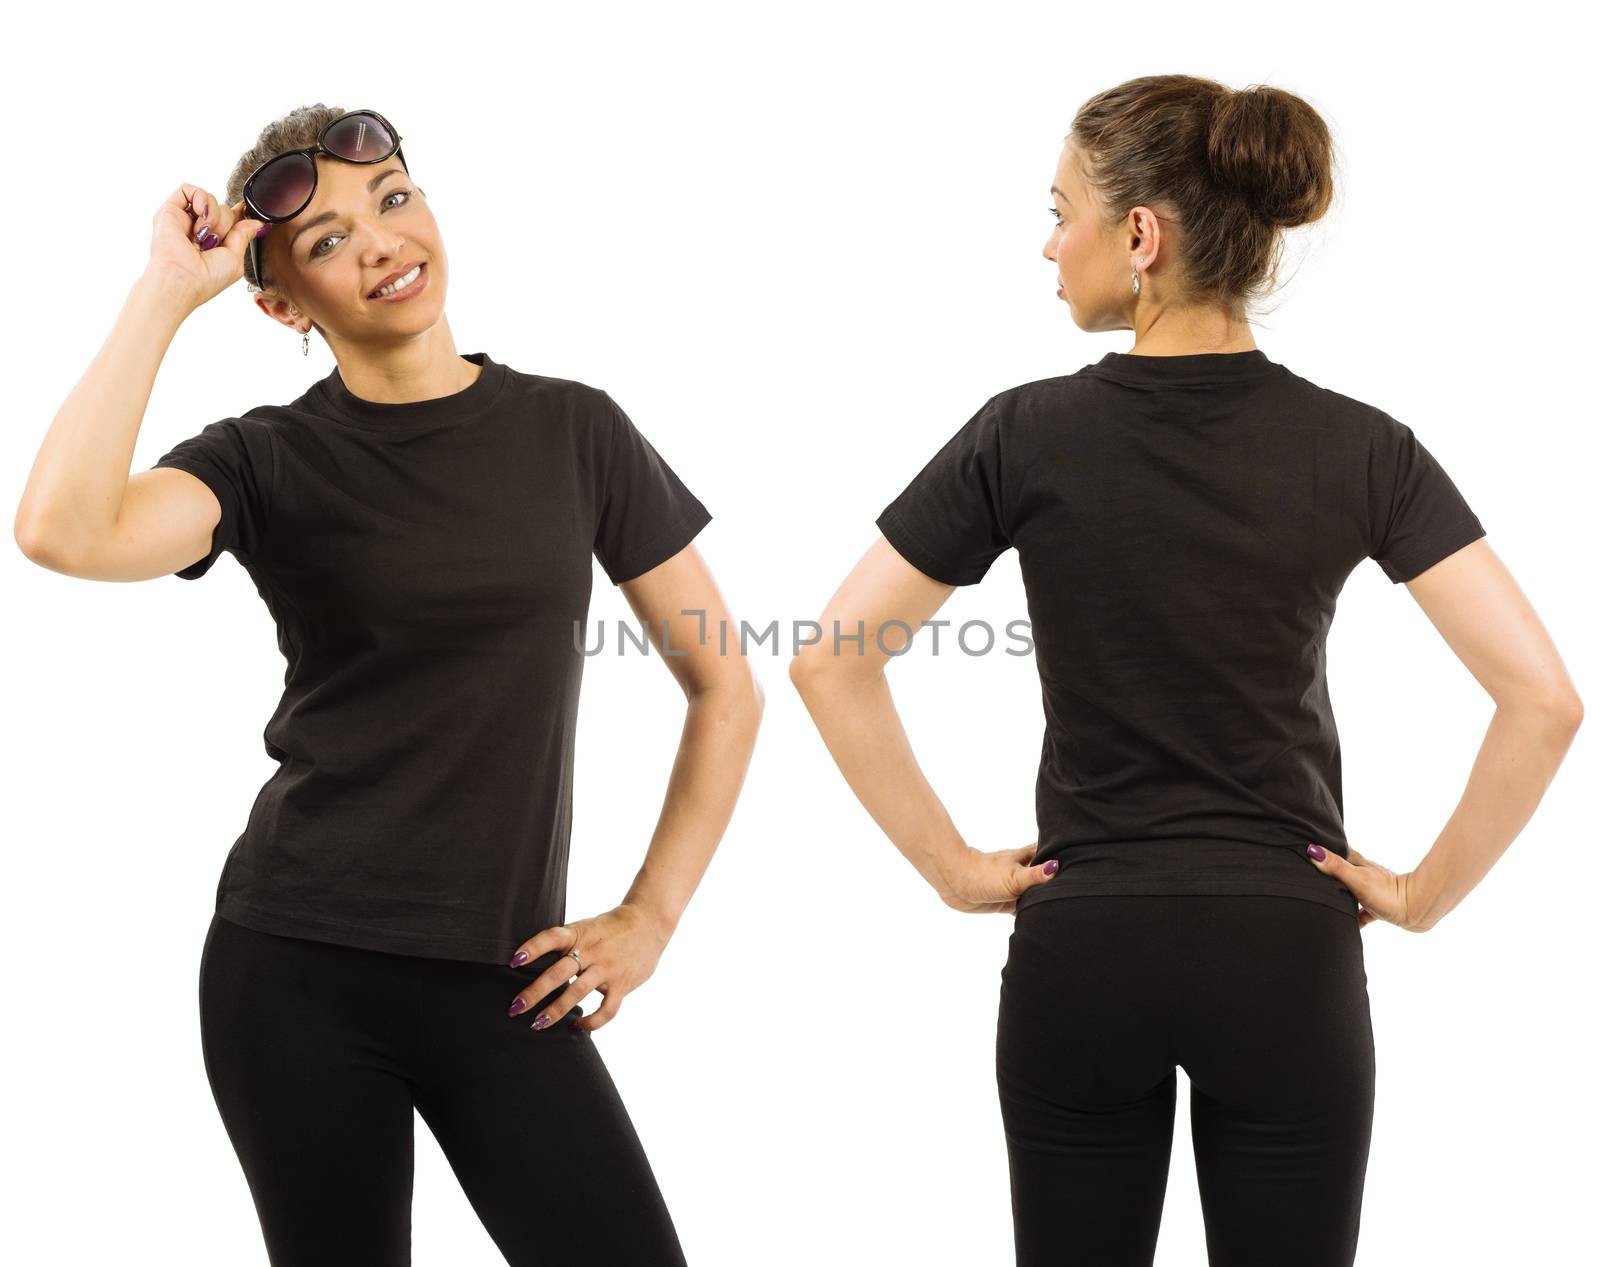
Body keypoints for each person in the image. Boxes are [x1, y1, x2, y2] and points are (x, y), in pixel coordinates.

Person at [788, 74, 1582, 1267]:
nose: (1048, 247)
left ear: (1141, 238)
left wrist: (954, 868)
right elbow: (1544, 698)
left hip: (1083, 943)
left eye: (1061, 212)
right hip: (1284, 952)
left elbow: (830, 660)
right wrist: (1419, 894)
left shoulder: (1022, 433)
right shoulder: (1361, 447)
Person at [15, 103, 763, 1265]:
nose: (378, 244)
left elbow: (724, 682)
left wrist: (649, 918)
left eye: (394, 199)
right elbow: (62, 529)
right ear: (280, 303)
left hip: (510, 983)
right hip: (295, 970)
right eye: (323, 242)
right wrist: (166, 290)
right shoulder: (264, 459)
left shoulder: (577, 430)